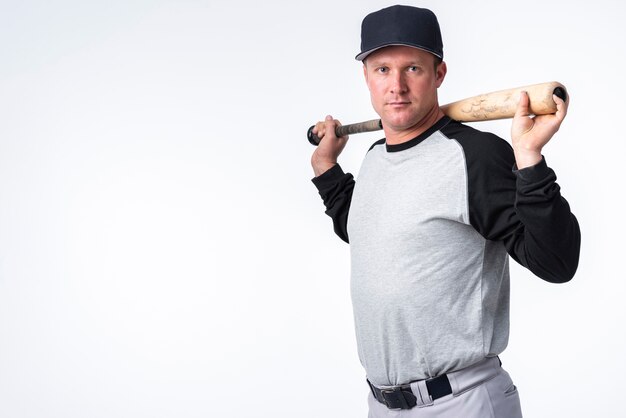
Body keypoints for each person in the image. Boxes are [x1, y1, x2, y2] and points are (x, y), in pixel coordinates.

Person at [309, 5, 581, 417]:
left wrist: (529, 160)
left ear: (439, 74)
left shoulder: (474, 156)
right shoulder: (374, 156)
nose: (396, 86)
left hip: (461, 402)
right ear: (366, 76)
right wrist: (327, 172)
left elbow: (556, 262)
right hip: (382, 405)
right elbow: (367, 233)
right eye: (382, 69)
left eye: (413, 69)